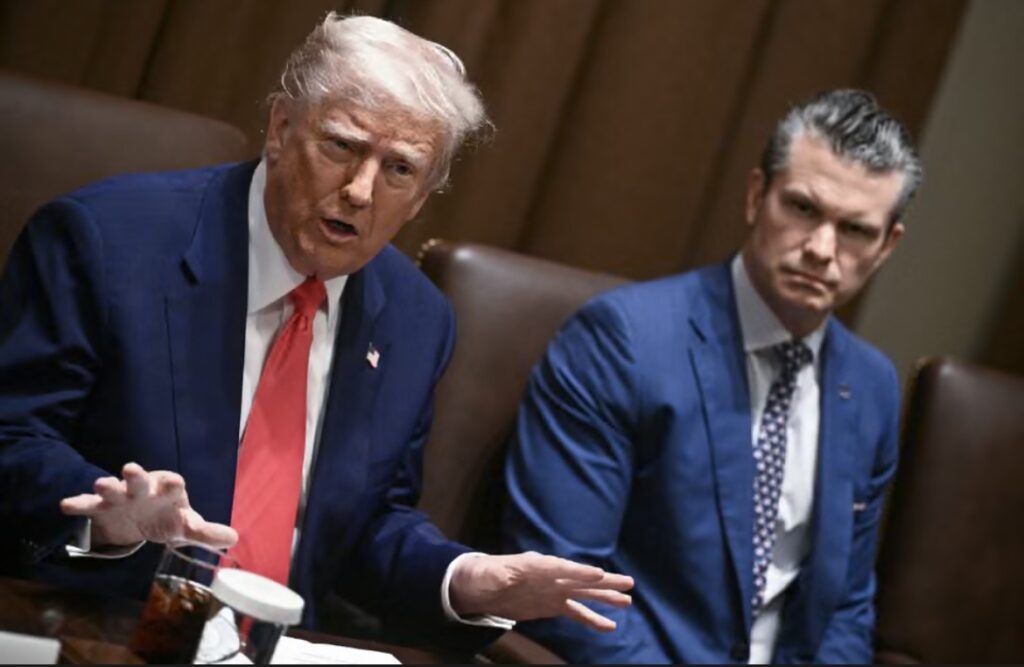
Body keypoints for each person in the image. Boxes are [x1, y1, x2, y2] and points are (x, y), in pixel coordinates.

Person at [0, 13, 632, 649]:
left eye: (400, 169)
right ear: (281, 128)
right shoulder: (107, 242)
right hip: (95, 627)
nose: (360, 190)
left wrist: (465, 580)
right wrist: (106, 517)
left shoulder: (416, 319)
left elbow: (367, 527)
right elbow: (14, 436)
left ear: (421, 198)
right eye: (342, 147)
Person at [503, 89, 922, 663]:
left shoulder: (872, 386)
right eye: (803, 209)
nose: (822, 249)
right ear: (756, 196)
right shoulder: (624, 341)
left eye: (855, 230)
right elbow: (567, 586)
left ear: (886, 246)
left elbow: (845, 609)